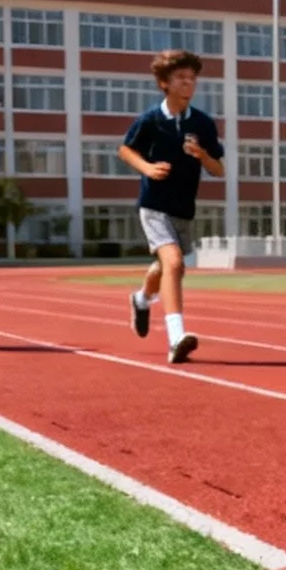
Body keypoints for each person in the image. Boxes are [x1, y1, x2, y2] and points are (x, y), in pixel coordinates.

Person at [118, 49, 225, 364]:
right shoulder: (151, 120)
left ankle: (141, 298)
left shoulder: (203, 123)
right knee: (175, 264)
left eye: (192, 78)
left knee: (166, 267)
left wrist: (202, 156)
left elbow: (219, 169)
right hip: (154, 204)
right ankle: (176, 336)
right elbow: (125, 150)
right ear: (164, 83)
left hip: (183, 206)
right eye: (180, 78)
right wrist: (148, 169)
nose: (188, 83)